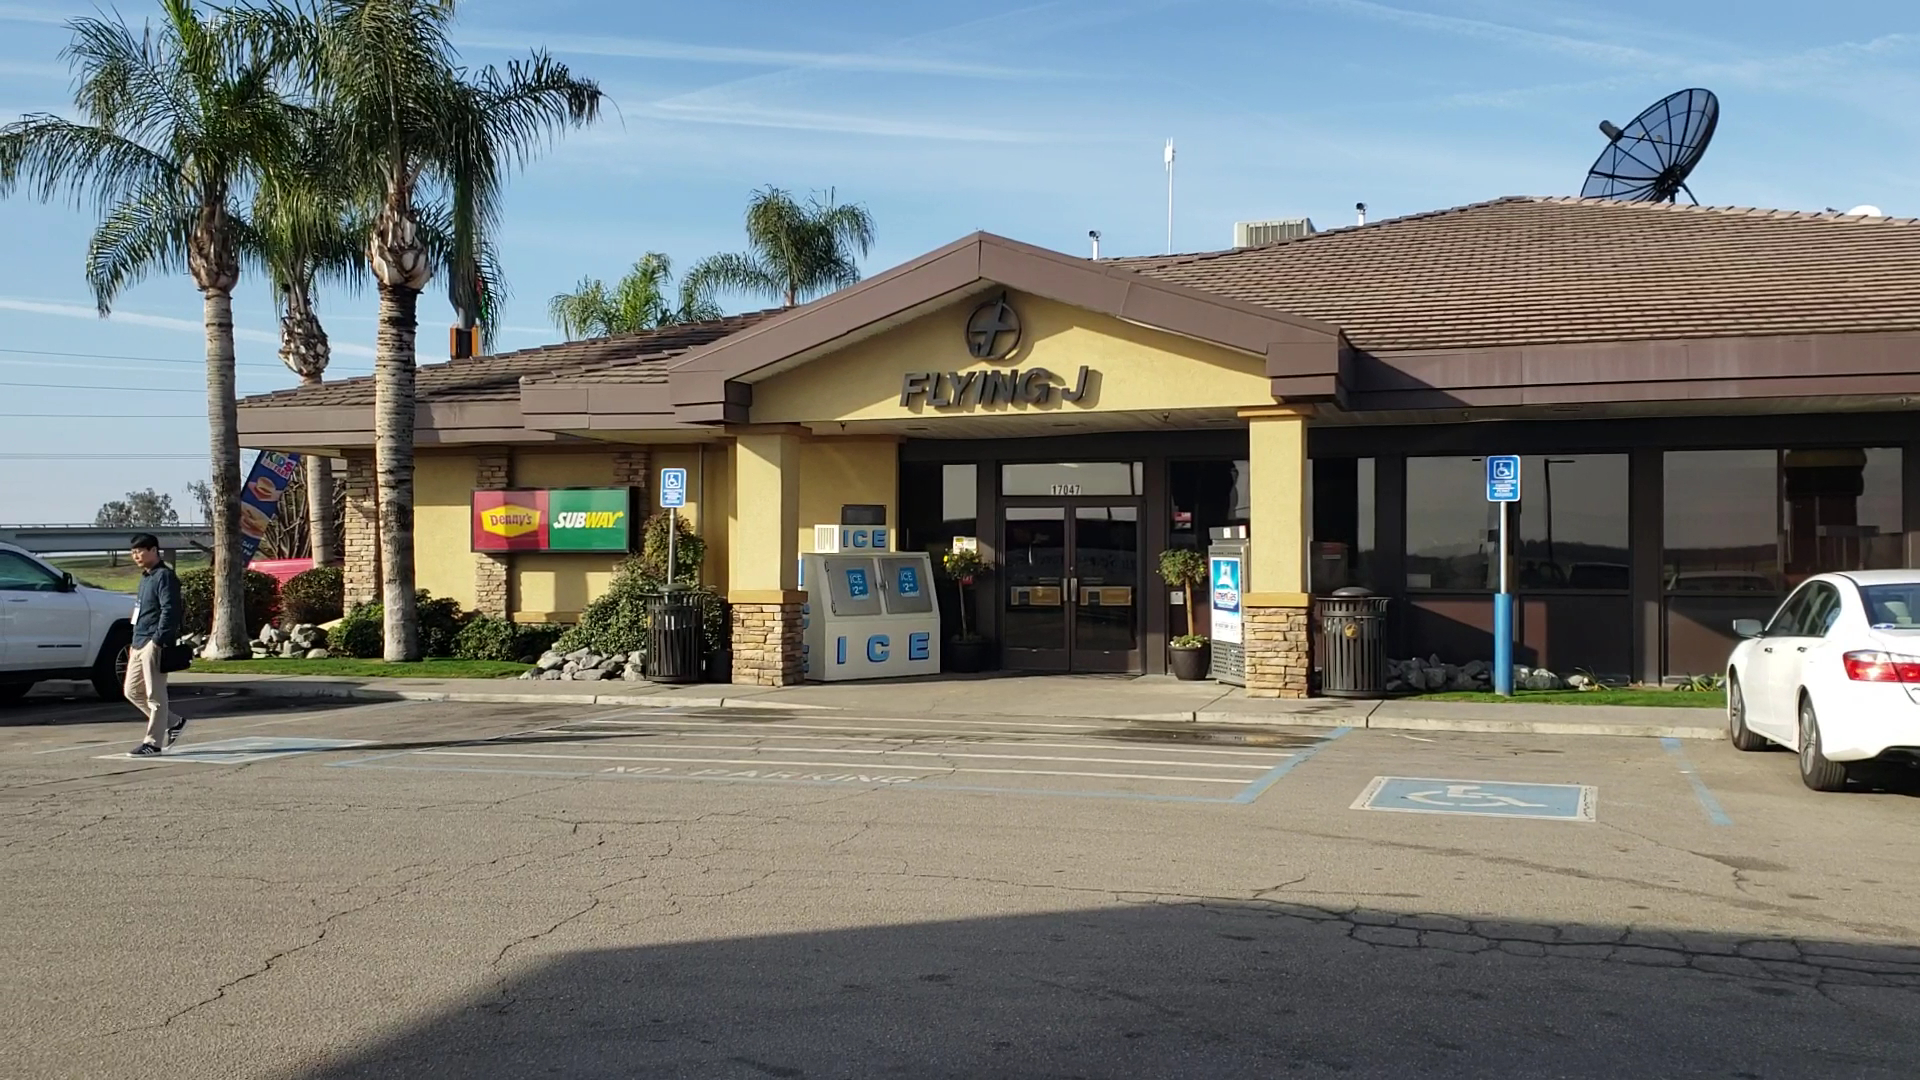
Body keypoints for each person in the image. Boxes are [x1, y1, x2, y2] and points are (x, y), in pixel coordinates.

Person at [125, 534, 185, 755]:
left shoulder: (164, 577)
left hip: (154, 642)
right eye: (133, 552)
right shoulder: (145, 578)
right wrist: (134, 641)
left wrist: (158, 640)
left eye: (139, 551)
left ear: (153, 550)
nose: (136, 556)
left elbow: (170, 610)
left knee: (155, 696)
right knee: (132, 691)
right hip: (139, 641)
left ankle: (153, 743)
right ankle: (174, 722)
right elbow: (141, 611)